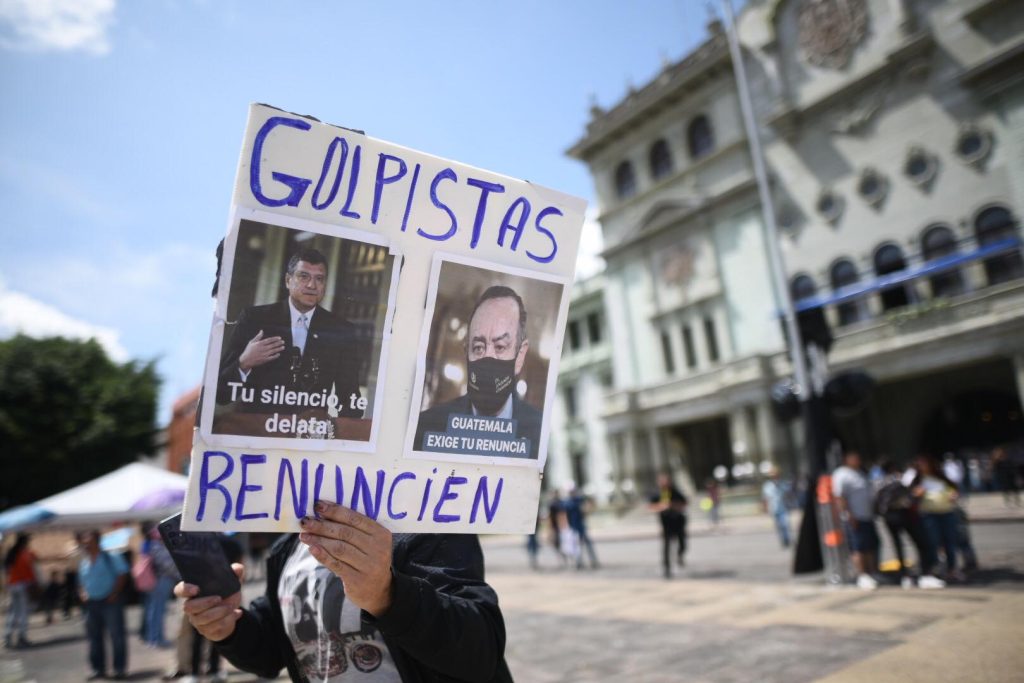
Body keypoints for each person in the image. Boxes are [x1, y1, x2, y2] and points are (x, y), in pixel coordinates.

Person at [175, 500, 512, 682]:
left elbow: (480, 652)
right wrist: (230, 627)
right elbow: (271, 653)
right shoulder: (287, 547)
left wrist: (388, 596)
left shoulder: (425, 519)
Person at [216, 247, 365, 430]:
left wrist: (332, 439)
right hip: (257, 433)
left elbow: (351, 402)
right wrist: (244, 363)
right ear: (288, 280)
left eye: (319, 279)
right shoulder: (255, 319)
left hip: (306, 439)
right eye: (304, 276)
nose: (312, 285)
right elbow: (220, 394)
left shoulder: (341, 331)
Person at [414, 285, 543, 460]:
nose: (487, 358)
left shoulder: (539, 434)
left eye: (500, 347)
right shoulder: (427, 427)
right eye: (478, 347)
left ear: (520, 355)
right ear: (467, 351)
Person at [874, 461, 945, 589]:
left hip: (888, 518)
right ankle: (925, 574)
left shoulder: (879, 481)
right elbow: (911, 495)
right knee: (920, 543)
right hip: (904, 515)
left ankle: (904, 576)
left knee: (897, 545)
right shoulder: (901, 477)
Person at [79, 530, 129, 680]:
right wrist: (82, 593)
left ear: (96, 541)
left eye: (89, 541)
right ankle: (98, 669)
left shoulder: (111, 556)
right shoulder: (84, 561)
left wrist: (114, 593)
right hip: (92, 603)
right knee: (94, 638)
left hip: (109, 602)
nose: (86, 544)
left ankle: (119, 669)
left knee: (116, 636)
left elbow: (122, 574)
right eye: (84, 542)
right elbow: (82, 581)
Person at [910, 453, 963, 581]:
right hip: (929, 514)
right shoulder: (918, 479)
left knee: (949, 542)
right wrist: (916, 494)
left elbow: (953, 489)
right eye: (920, 464)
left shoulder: (941, 477)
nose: (923, 466)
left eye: (925, 463)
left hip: (947, 512)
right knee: (933, 542)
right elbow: (910, 495)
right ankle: (936, 569)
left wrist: (954, 495)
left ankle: (952, 569)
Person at [832, 452, 880, 590]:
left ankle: (872, 572)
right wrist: (849, 515)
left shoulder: (860, 472)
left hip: (867, 516)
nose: (857, 460)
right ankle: (862, 575)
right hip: (854, 518)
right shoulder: (842, 474)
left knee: (870, 546)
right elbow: (840, 497)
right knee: (858, 547)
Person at [144, 527, 180, 648]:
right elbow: (168, 565)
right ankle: (156, 639)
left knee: (155, 610)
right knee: (157, 611)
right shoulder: (157, 546)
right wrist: (180, 575)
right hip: (161, 581)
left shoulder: (154, 546)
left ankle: (155, 638)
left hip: (159, 581)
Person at [649, 473, 688, 579]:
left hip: (678, 522)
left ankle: (680, 555)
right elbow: (651, 507)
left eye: (665, 481)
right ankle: (667, 569)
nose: (664, 483)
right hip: (666, 524)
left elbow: (684, 503)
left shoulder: (675, 492)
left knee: (682, 543)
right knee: (666, 547)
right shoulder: (656, 494)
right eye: (661, 481)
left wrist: (674, 506)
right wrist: (661, 507)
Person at [3, 533, 37, 649]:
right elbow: (29, 570)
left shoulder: (11, 552)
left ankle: (7, 637)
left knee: (12, 612)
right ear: (24, 542)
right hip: (22, 585)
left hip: (12, 584)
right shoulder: (25, 553)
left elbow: (7, 570)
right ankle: (22, 637)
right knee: (23, 612)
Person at [563, 488, 599, 570]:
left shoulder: (577, 500)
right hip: (575, 527)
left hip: (580, 526)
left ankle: (593, 561)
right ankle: (579, 563)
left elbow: (588, 503)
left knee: (587, 545)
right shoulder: (569, 503)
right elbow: (567, 516)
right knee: (577, 546)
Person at [761, 468, 791, 548]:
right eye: (773, 476)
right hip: (774, 509)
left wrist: (790, 503)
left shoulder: (783, 484)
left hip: (783, 508)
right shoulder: (767, 486)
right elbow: (765, 498)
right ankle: (783, 540)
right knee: (779, 526)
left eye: (776, 476)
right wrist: (765, 508)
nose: (774, 477)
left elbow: (788, 494)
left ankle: (787, 539)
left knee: (785, 524)